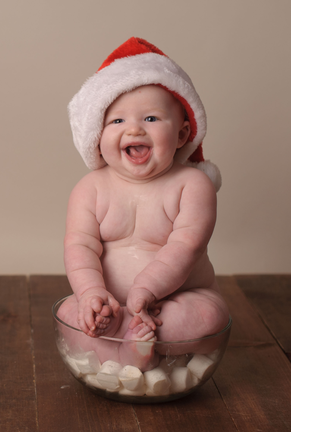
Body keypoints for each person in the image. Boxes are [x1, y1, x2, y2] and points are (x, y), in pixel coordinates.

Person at [57, 37, 229, 369]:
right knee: (68, 313)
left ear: (181, 135)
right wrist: (91, 293)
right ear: (98, 136)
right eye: (117, 121)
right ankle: (130, 343)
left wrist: (147, 288)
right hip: (110, 305)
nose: (134, 128)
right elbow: (79, 245)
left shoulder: (192, 185)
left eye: (151, 118)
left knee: (208, 314)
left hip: (174, 301)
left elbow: (186, 245)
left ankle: (127, 344)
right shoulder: (90, 188)